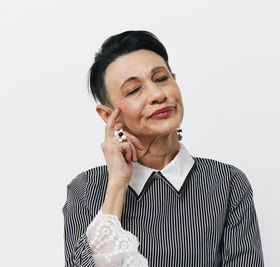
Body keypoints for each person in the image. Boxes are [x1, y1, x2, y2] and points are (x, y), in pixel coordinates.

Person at [63, 30, 264, 267]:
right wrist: (117, 184)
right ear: (109, 116)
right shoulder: (86, 189)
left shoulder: (227, 182)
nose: (158, 95)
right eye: (134, 90)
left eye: (161, 79)